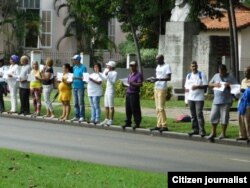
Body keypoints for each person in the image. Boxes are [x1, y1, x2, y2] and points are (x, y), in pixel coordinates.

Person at [207, 64, 238, 142]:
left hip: (226, 101)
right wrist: (215, 84)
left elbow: (237, 86)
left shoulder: (230, 76)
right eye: (219, 71)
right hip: (216, 100)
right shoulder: (216, 75)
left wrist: (229, 85)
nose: (221, 73)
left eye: (222, 72)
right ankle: (213, 132)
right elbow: (209, 84)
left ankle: (223, 133)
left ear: (225, 70)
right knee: (213, 116)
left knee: (224, 117)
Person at [184, 61, 208, 137]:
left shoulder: (202, 74)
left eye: (195, 66)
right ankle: (195, 130)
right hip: (190, 98)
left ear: (197, 66)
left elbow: (205, 86)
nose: (194, 68)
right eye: (192, 66)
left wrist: (197, 86)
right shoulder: (188, 76)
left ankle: (202, 131)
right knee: (193, 115)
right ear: (190, 67)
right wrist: (186, 99)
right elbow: (186, 88)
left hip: (199, 98)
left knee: (199, 114)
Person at [150, 55, 171, 132]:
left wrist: (158, 79)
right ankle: (159, 125)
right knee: (157, 108)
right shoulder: (158, 67)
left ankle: (165, 125)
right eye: (156, 59)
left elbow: (169, 78)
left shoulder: (167, 66)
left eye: (157, 59)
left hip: (162, 88)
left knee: (161, 108)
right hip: (156, 87)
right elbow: (157, 77)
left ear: (162, 59)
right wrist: (154, 80)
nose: (156, 61)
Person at [122, 61, 143, 130]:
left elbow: (140, 84)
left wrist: (132, 83)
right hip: (128, 92)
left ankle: (137, 122)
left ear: (136, 66)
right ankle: (128, 122)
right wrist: (125, 84)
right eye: (130, 66)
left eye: (132, 66)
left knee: (135, 109)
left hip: (134, 93)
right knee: (128, 108)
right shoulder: (130, 74)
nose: (131, 67)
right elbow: (129, 83)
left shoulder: (138, 74)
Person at [100, 61, 118, 126]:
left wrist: (108, 75)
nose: (107, 66)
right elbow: (103, 78)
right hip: (107, 90)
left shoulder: (114, 73)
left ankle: (111, 120)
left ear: (111, 66)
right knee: (106, 106)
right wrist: (100, 74)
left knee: (111, 106)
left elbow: (113, 82)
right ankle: (106, 119)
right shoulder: (107, 71)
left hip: (111, 90)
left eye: (108, 66)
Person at [71, 54, 87, 122]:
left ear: (78, 60)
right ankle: (76, 115)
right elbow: (73, 76)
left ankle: (82, 116)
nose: (73, 61)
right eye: (73, 60)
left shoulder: (83, 67)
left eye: (75, 59)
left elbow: (85, 78)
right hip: (74, 86)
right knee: (75, 102)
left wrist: (76, 78)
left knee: (80, 102)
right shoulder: (74, 67)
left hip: (80, 87)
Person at [237, 66, 250, 141]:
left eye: (247, 71)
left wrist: (245, 89)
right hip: (241, 102)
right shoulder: (243, 81)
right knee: (240, 119)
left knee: (247, 120)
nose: (245, 73)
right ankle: (242, 135)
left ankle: (249, 136)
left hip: (248, 103)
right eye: (244, 72)